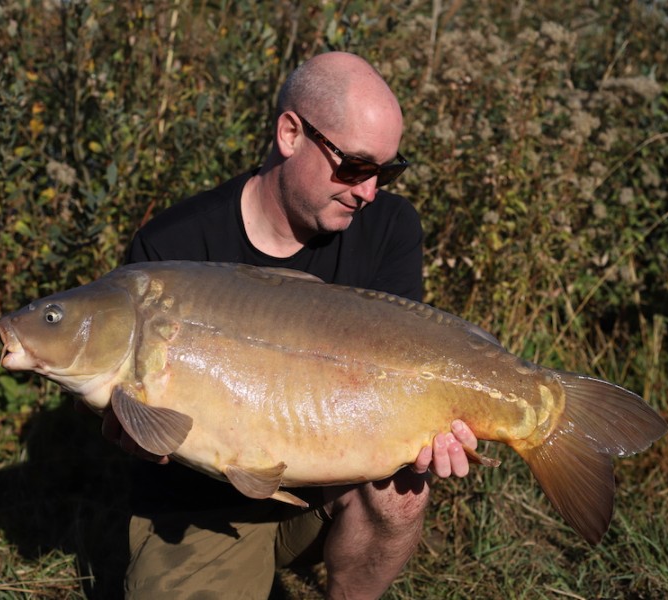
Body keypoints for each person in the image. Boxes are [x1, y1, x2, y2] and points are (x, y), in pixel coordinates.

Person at [105, 51, 479, 599]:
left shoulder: (389, 226)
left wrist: (438, 424)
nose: (370, 191)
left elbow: (407, 374)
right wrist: (136, 434)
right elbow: (131, 415)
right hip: (200, 506)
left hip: (328, 486)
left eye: (387, 170)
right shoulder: (171, 250)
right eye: (354, 166)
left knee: (401, 491)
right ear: (289, 133)